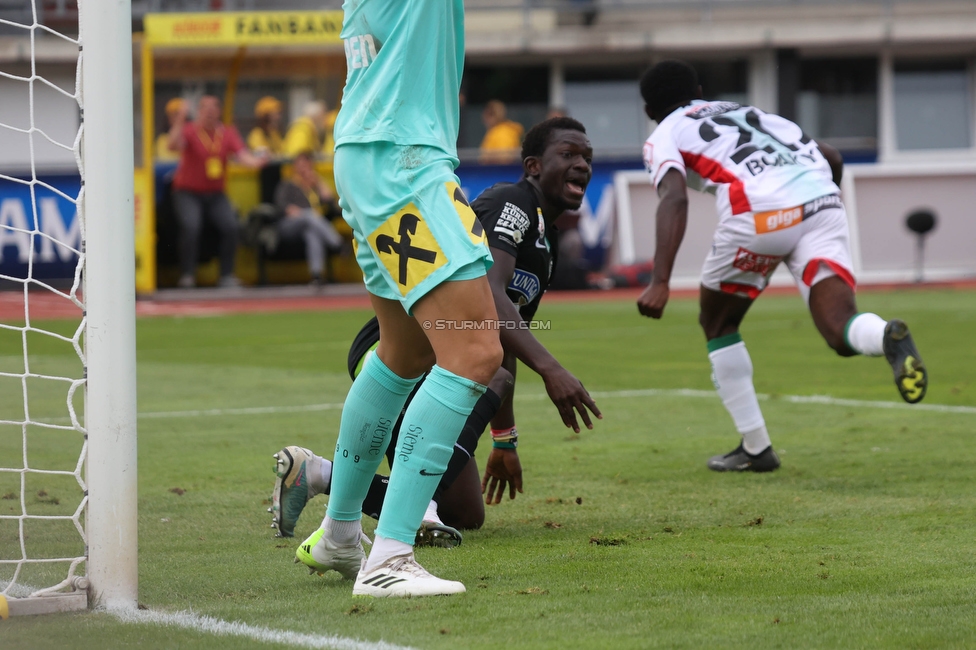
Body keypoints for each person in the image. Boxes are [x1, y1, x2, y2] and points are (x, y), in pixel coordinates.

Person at [269, 117, 600, 545]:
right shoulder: (512, 204)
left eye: (588, 158)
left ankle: (316, 474)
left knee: (464, 513)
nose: (582, 165)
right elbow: (494, 305)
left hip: (448, 354)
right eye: (569, 155)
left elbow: (502, 335)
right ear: (534, 165)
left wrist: (505, 438)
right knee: (491, 371)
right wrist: (552, 369)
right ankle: (406, 520)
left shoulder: (544, 239)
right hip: (407, 347)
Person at [293, 0, 502, 599]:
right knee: (474, 353)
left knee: (403, 354)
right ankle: (390, 556)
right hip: (404, 158)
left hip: (365, 152)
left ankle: (339, 533)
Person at [635, 60, 928, 472]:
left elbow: (674, 198)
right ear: (699, 89)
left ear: (649, 111)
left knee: (719, 324)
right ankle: (885, 336)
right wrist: (818, 207)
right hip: (822, 204)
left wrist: (660, 280)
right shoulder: (753, 112)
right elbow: (830, 155)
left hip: (759, 215)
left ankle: (756, 448)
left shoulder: (662, 134)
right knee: (840, 329)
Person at [167, 95, 267, 288]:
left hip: (215, 193)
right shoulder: (190, 130)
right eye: (205, 108)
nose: (210, 113)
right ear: (199, 112)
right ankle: (187, 274)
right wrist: (180, 119)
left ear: (219, 112)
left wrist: (257, 162)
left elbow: (243, 155)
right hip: (187, 192)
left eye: (214, 108)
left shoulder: (227, 133)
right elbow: (172, 145)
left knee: (231, 225)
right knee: (191, 226)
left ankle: (226, 275)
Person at [272, 152, 345, 285]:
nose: (303, 169)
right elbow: (281, 206)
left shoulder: (313, 186)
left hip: (310, 226)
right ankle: (337, 243)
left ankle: (316, 275)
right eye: (300, 165)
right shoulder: (288, 184)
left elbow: (330, 201)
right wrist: (298, 212)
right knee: (309, 215)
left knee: (312, 233)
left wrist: (318, 182)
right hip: (288, 226)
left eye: (306, 165)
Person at [479, 100, 524, 164]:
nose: (484, 119)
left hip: (498, 172)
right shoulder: (495, 132)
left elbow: (505, 158)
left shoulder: (503, 133)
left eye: (487, 115)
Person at [155, 98, 185, 162]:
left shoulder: (193, 137)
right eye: (175, 115)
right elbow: (166, 161)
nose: (178, 119)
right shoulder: (162, 139)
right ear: (168, 118)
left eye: (181, 115)